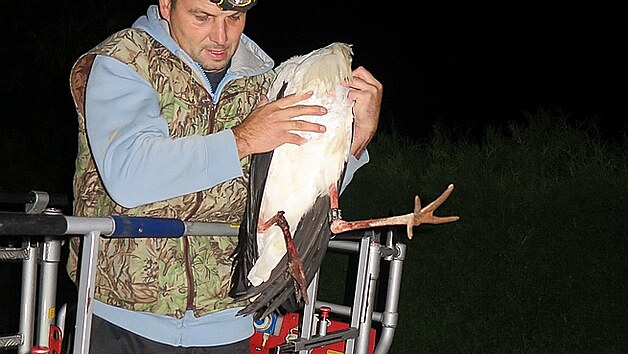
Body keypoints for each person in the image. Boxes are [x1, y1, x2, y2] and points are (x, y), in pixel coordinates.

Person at [65, 0, 382, 353]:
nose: (221, 36)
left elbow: (295, 190)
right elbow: (128, 174)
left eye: (234, 18)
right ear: (167, 5)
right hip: (122, 319)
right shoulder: (124, 60)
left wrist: (354, 143)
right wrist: (243, 139)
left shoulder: (267, 78)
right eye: (202, 17)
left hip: (228, 324)